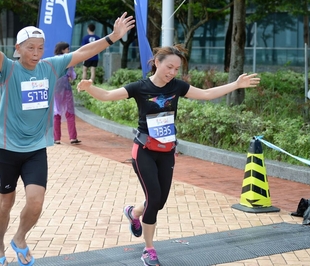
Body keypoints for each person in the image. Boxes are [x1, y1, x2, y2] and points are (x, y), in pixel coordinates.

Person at [0, 0, 134, 266]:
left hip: (36, 149)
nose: (36, 53)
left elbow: (82, 52)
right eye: (30, 48)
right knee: (5, 203)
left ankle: (20, 238)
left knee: (36, 202)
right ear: (18, 49)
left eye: (40, 48)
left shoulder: (50, 66)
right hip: (7, 148)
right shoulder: (9, 69)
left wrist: (112, 38)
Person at [76, 45, 260, 265]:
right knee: (154, 198)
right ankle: (149, 249)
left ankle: (134, 213)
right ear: (157, 62)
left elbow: (206, 94)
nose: (172, 72)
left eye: (176, 69)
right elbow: (107, 95)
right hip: (144, 151)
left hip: (166, 151)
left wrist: (236, 84)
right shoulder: (140, 87)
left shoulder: (177, 86)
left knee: (159, 202)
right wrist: (89, 88)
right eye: (169, 67)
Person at [53, 41, 80, 145]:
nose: (69, 50)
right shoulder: (68, 60)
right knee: (69, 111)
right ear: (63, 50)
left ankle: (56, 138)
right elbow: (72, 75)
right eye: (67, 49)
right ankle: (73, 137)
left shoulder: (53, 60)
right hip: (66, 88)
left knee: (56, 112)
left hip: (55, 88)